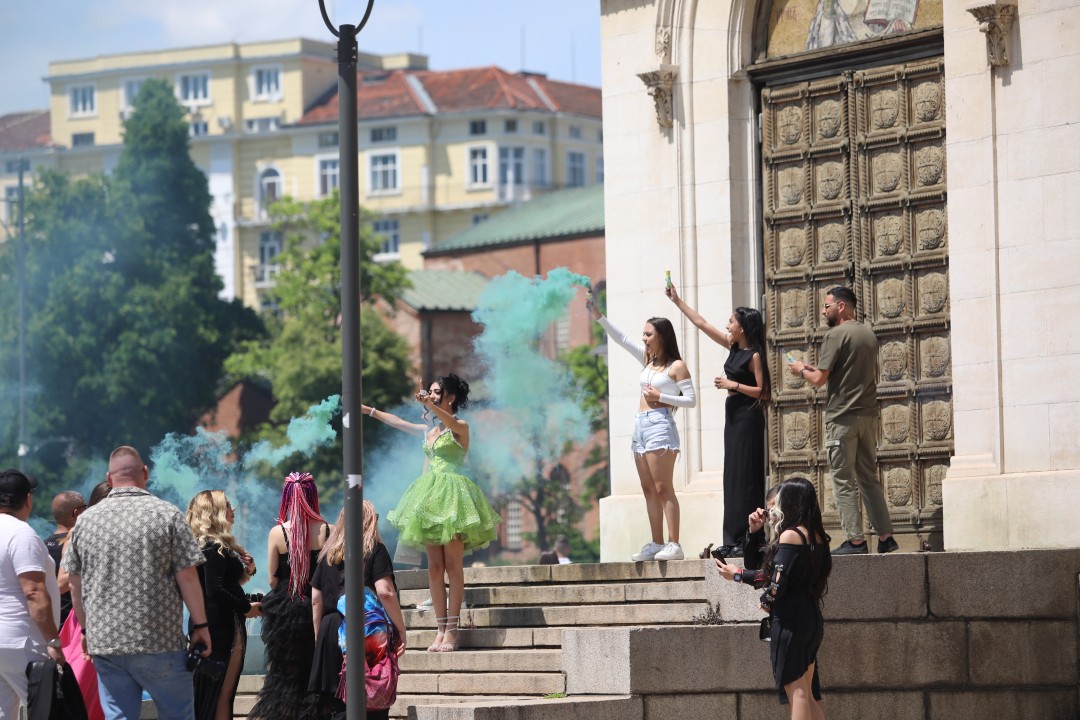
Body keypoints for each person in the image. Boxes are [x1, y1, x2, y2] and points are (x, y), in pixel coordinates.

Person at [62, 446, 211, 720]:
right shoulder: (168, 514)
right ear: (145, 473)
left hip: (107, 643)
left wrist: (84, 630)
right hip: (161, 641)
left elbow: (74, 584)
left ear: (109, 478)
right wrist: (201, 625)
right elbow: (188, 576)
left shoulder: (85, 522)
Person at [365, 372, 500, 653]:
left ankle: (452, 630)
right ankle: (439, 630)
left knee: (453, 566)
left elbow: (449, 421)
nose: (433, 396)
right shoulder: (430, 429)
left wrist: (429, 404)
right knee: (434, 568)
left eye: (438, 392)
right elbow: (399, 422)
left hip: (454, 497)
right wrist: (368, 410)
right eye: (431, 392)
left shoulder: (459, 426)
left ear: (451, 397)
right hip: (429, 498)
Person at [787, 286, 897, 555]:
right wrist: (813, 369)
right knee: (868, 477)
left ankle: (856, 541)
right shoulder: (868, 334)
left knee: (843, 479)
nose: (823, 311)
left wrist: (800, 370)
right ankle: (886, 537)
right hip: (867, 416)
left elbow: (818, 380)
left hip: (842, 418)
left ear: (842, 306)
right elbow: (850, 372)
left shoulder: (835, 334)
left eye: (827, 306)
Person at [586, 295, 697, 562]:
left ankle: (674, 543)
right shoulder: (648, 359)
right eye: (644, 334)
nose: (644, 338)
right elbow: (622, 339)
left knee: (663, 487)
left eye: (648, 334)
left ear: (662, 336)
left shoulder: (676, 366)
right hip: (640, 426)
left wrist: (661, 397)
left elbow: (691, 400)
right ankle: (657, 543)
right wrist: (598, 315)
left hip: (660, 424)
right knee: (648, 488)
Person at [666, 285, 770, 557]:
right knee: (732, 476)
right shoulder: (732, 347)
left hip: (748, 416)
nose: (727, 325)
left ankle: (749, 538)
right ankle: (732, 537)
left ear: (742, 327)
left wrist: (732, 384)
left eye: (731, 321)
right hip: (733, 414)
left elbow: (764, 392)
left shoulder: (754, 355)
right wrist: (677, 301)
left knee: (746, 475)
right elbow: (702, 323)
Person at [716, 478, 832, 719]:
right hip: (810, 618)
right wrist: (754, 533)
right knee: (809, 692)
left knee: (796, 691)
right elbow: (770, 569)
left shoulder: (791, 535)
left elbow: (776, 581)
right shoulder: (817, 536)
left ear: (791, 502)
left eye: (778, 503)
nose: (774, 511)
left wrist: (738, 575)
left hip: (790, 621)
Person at [248, 471, 330, 720]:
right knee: (318, 670)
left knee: (285, 674)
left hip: (286, 610)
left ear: (286, 496)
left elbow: (272, 579)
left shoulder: (277, 533)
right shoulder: (329, 530)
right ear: (312, 495)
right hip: (321, 607)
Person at [185, 491, 261, 720]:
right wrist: (247, 608)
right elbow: (216, 590)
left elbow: (224, 585)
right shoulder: (213, 547)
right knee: (222, 695)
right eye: (227, 504)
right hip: (220, 627)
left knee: (213, 694)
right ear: (215, 511)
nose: (233, 508)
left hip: (209, 624)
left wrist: (248, 571)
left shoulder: (205, 546)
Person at [0, 468, 64, 719]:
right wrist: (53, 642)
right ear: (28, 499)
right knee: (50, 711)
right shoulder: (21, 533)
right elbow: (34, 592)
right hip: (23, 641)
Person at [45, 490, 86, 627]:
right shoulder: (76, 543)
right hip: (73, 624)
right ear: (76, 513)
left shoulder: (43, 545)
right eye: (85, 507)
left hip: (53, 621)